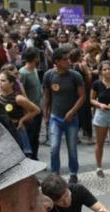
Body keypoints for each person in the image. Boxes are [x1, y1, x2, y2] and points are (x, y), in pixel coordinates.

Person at [43, 46, 85, 184]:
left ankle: (73, 173)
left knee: (72, 148)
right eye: (65, 59)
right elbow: (47, 96)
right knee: (54, 147)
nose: (69, 61)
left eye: (68, 59)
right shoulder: (48, 75)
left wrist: (72, 111)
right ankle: (55, 173)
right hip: (55, 118)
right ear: (57, 61)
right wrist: (46, 114)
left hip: (72, 119)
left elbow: (82, 97)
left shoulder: (75, 76)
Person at [0, 70, 40, 157]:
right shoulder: (0, 95)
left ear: (11, 83)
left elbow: (37, 110)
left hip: (16, 130)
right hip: (4, 130)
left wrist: (22, 120)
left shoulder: (18, 98)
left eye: (3, 81)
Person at [18, 47, 43, 160]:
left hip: (38, 108)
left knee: (36, 136)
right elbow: (21, 93)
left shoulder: (35, 70)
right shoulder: (23, 73)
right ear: (35, 58)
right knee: (30, 136)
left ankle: (35, 157)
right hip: (29, 111)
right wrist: (27, 112)